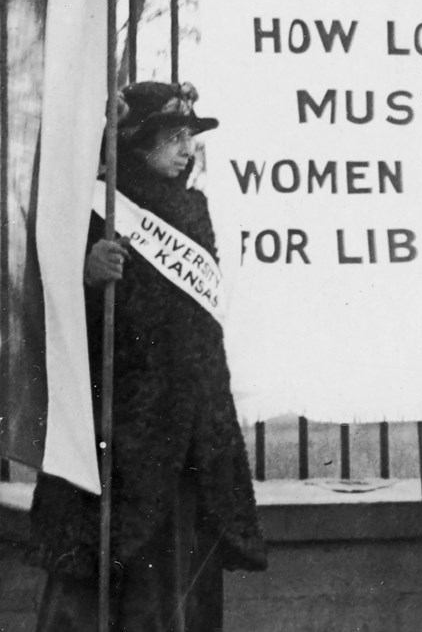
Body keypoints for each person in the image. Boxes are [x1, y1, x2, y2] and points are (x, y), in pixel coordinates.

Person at [28, 81, 267, 631]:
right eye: (174, 137)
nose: (188, 149)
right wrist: (86, 274)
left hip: (187, 418)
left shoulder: (195, 209)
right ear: (137, 142)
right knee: (113, 557)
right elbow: (52, 303)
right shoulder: (98, 204)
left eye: (191, 138)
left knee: (179, 562)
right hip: (121, 417)